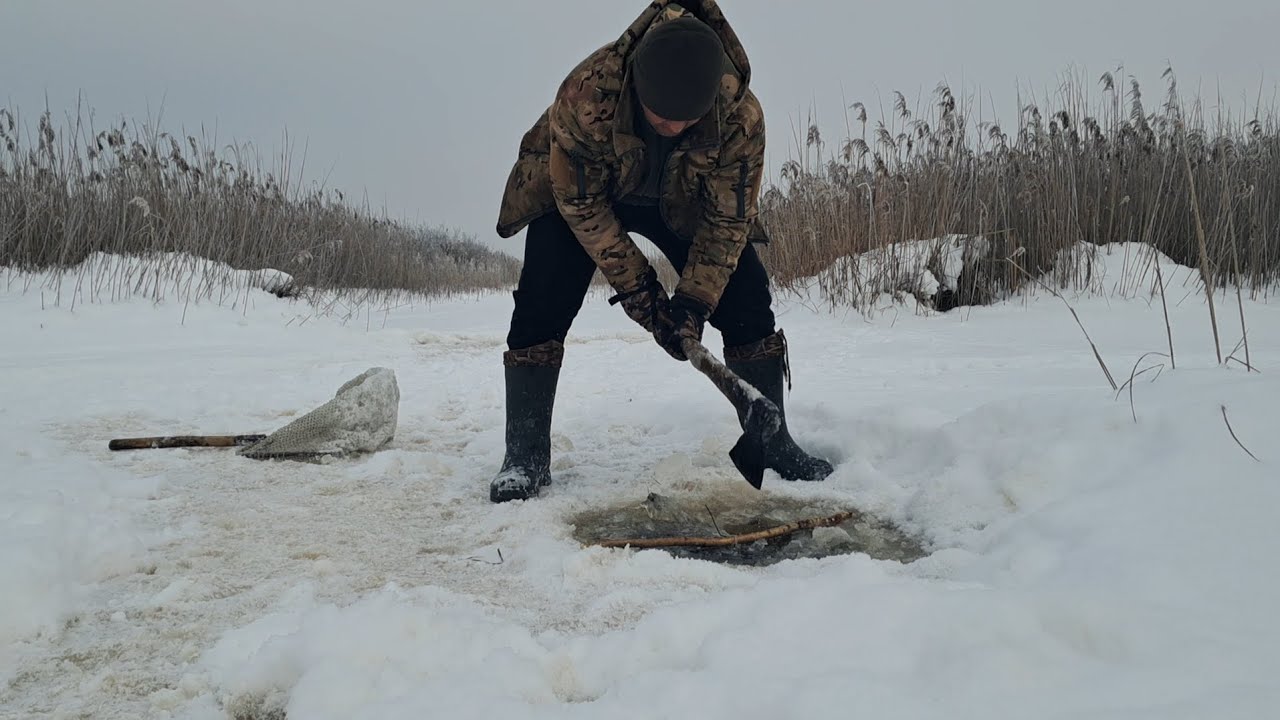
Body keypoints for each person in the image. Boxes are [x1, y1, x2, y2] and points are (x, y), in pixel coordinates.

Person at [490, 0, 833, 503]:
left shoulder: (740, 117)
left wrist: (692, 304)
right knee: (543, 292)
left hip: (683, 201)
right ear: (636, 86)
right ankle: (524, 454)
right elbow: (580, 203)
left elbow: (727, 222)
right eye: (660, 117)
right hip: (588, 193)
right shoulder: (587, 93)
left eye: (686, 121)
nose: (672, 128)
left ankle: (772, 439)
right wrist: (644, 297)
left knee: (746, 296)